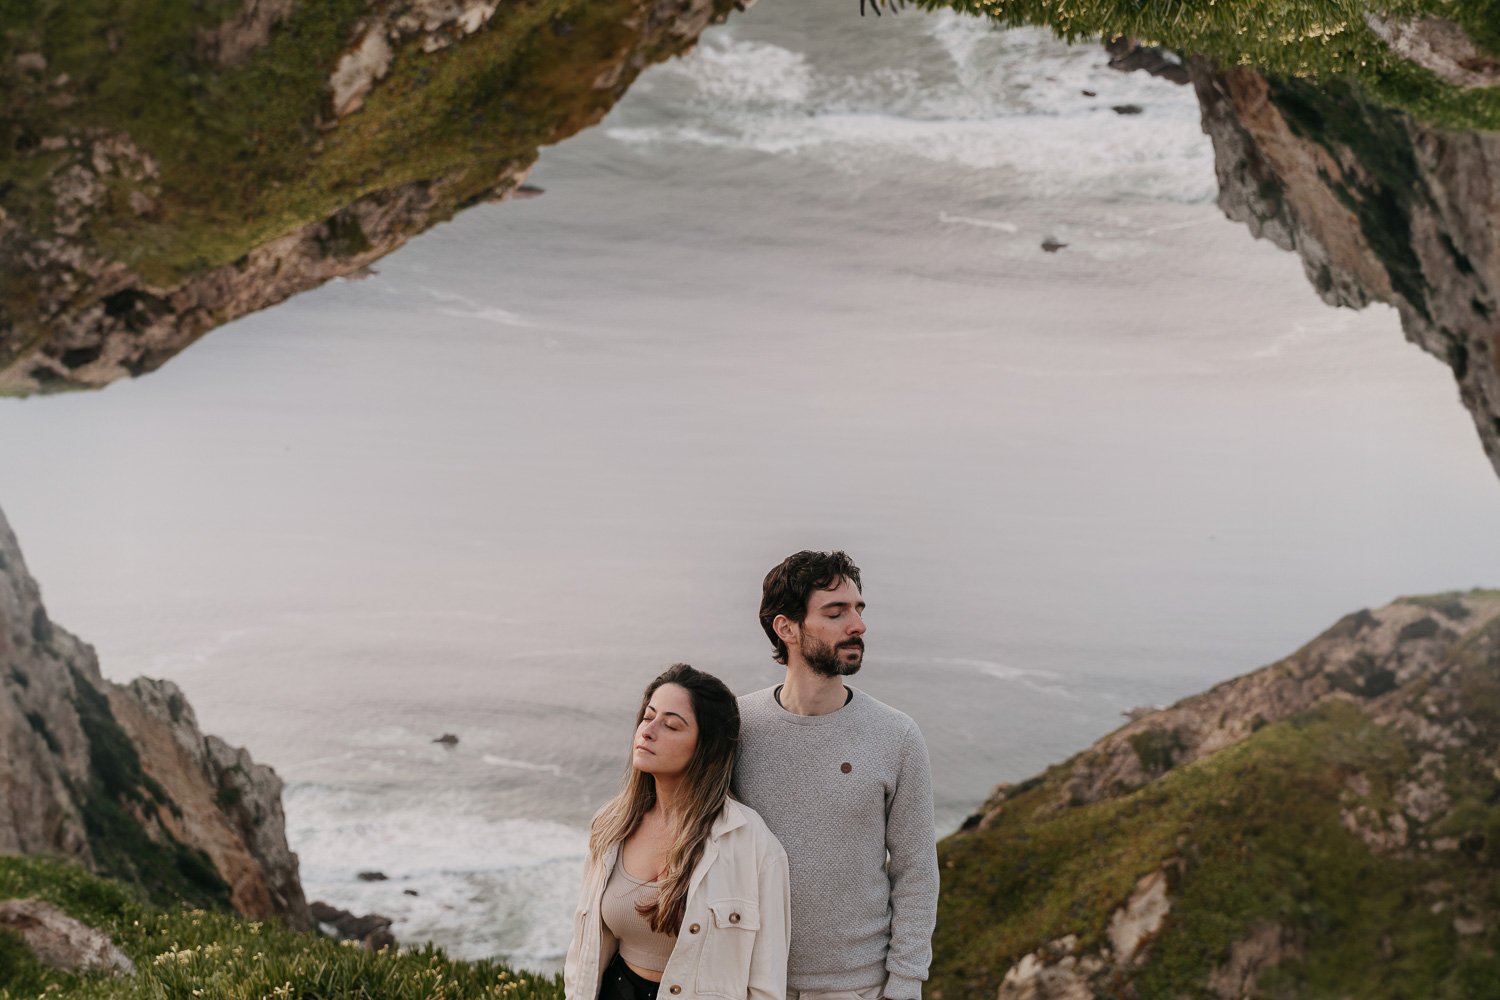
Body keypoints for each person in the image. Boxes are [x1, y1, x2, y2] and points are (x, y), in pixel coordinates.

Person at [735, 551, 939, 1000]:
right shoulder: (736, 728)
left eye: (859, 609)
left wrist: (905, 985)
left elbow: (917, 871)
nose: (858, 625)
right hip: (751, 983)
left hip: (859, 987)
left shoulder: (897, 735)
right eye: (836, 612)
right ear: (786, 628)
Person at [565, 663, 791, 1000]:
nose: (648, 731)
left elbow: (766, 984)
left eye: (671, 725)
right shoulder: (611, 825)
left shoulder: (751, 845)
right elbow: (582, 952)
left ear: (706, 746)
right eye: (647, 717)